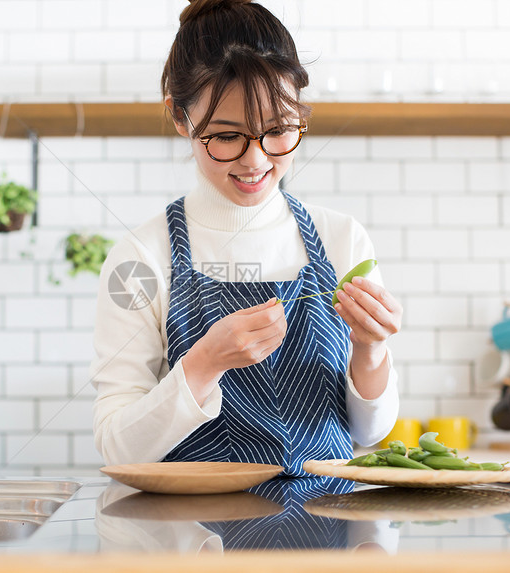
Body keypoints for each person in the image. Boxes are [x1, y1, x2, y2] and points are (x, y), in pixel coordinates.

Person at [90, 0, 401, 477]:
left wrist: (370, 349)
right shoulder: (142, 257)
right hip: (192, 541)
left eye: (277, 130)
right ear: (180, 118)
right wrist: (205, 363)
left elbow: (370, 433)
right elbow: (117, 447)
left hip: (330, 537)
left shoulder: (341, 239)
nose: (256, 160)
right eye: (227, 136)